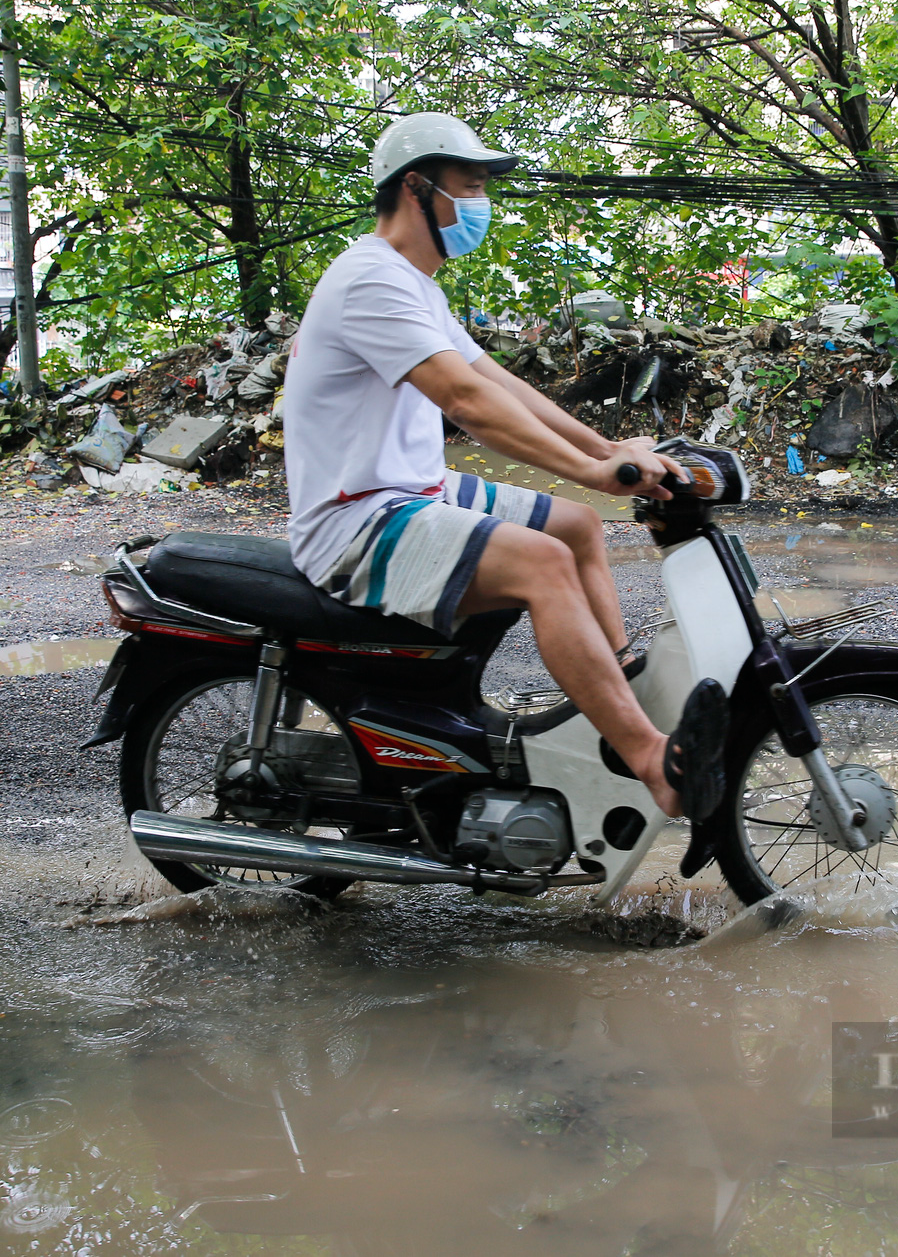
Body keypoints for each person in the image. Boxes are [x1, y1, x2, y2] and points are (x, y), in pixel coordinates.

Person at [280, 112, 725, 824]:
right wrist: (595, 469)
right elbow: (468, 403)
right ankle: (652, 762)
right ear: (416, 188)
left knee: (579, 529)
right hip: (357, 519)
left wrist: (607, 453)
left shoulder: (415, 283)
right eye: (471, 185)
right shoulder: (371, 279)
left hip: (409, 487)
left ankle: (615, 702)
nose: (482, 204)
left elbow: (506, 385)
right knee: (543, 564)